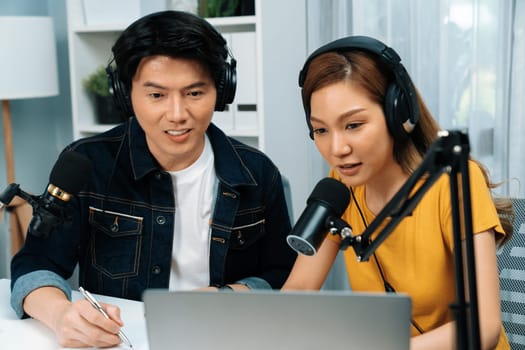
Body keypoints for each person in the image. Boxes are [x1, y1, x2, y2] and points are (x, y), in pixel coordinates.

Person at [10, 10, 295, 348]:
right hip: (121, 341)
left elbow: (284, 276)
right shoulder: (88, 163)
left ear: (221, 92)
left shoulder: (258, 174)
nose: (177, 114)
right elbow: (36, 262)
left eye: (194, 93)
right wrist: (61, 316)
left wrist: (231, 295)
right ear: (125, 94)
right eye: (157, 95)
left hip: (224, 337)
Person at [282, 35, 513, 349]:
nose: (337, 149)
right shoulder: (342, 185)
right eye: (321, 130)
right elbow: (299, 288)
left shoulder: (456, 182)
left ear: (397, 115)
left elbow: (482, 327)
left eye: (353, 125)